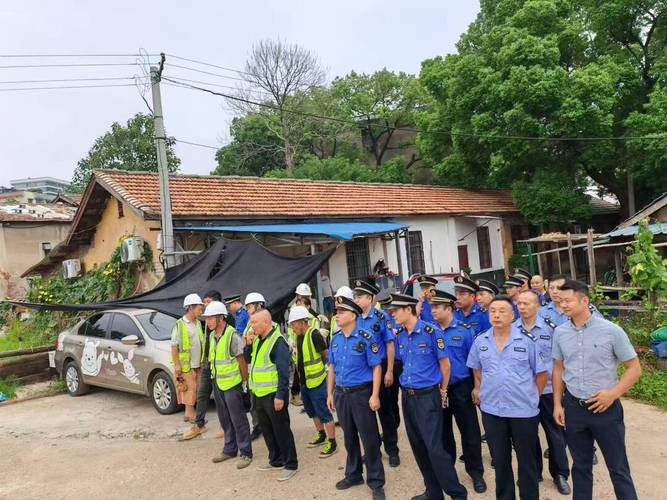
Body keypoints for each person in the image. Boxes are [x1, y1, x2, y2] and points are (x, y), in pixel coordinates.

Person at [552, 280, 641, 500]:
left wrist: (613, 394)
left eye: (568, 300)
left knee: (618, 467)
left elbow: (634, 368)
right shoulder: (561, 332)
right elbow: (557, 369)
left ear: (584, 300)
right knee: (580, 466)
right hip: (574, 407)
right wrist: (557, 403)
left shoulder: (611, 331)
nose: (563, 305)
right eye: (560, 301)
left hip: (606, 408)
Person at [386, 293, 468, 500]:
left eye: (396, 309)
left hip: (427, 396)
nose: (392, 313)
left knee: (434, 448)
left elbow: (445, 366)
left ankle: (457, 493)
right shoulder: (400, 335)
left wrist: (442, 391)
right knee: (418, 446)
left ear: (408, 309)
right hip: (408, 396)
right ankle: (433, 492)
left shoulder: (432, 332)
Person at [467, 295, 548, 500]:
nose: (496, 315)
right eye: (493, 311)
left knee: (526, 461)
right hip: (493, 411)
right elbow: (477, 370)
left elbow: (541, 374)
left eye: (502, 311)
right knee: (501, 462)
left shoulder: (527, 341)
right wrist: (479, 388)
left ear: (513, 315)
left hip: (523, 411)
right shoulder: (481, 341)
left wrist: (531, 396)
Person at [327, 295, 385, 500]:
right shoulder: (335, 338)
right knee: (349, 437)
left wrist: (375, 395)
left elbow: (377, 366)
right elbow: (331, 368)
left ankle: (376, 482)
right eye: (336, 312)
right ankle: (353, 474)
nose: (337, 315)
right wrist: (330, 393)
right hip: (341, 395)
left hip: (361, 394)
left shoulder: (366, 337)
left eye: (341, 312)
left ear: (353, 315)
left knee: (369, 439)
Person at [515, 290, 570, 495]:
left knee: (555, 434)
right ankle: (533, 473)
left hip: (547, 391)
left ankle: (560, 474)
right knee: (527, 436)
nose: (522, 307)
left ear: (537, 305)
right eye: (519, 303)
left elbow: (560, 362)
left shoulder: (551, 329)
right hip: (523, 392)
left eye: (527, 303)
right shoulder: (512, 330)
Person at [431, 289, 486, 494]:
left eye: (437, 307)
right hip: (439, 389)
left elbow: (475, 363)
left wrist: (477, 386)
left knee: (470, 431)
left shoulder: (464, 331)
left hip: (462, 387)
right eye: (432, 307)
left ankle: (475, 472)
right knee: (443, 433)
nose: (433, 310)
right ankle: (448, 472)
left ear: (449, 308)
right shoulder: (431, 331)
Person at [247, 309, 298, 481]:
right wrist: (247, 344)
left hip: (273, 395)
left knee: (281, 429)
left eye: (254, 322)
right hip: (259, 394)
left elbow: (283, 372)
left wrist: (280, 395)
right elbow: (249, 360)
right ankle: (275, 459)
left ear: (266, 323)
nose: (251, 326)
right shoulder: (257, 340)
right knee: (267, 430)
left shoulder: (278, 342)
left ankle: (291, 464)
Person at [353, 279, 400, 467]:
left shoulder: (381, 317)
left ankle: (392, 449)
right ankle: (374, 450)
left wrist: (389, 371)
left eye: (360, 296)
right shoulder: (354, 318)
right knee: (367, 416)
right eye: (355, 296)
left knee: (385, 412)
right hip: (362, 371)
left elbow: (389, 344)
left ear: (370, 298)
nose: (356, 300)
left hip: (380, 367)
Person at [202, 301, 253, 468]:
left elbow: (241, 361)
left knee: (238, 419)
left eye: (210, 318)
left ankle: (245, 452)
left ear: (221, 318)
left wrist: (245, 383)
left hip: (232, 384)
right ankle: (230, 449)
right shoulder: (211, 336)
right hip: (218, 383)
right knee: (224, 418)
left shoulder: (232, 335)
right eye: (207, 318)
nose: (207, 321)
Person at [288, 305, 337, 458]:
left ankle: (332, 441)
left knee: (323, 412)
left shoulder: (314, 335)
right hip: (305, 382)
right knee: (311, 411)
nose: (291, 327)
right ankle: (321, 434)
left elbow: (324, 355)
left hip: (317, 381)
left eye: (293, 323)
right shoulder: (298, 336)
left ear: (301, 322)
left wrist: (324, 370)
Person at [181, 290, 224, 441]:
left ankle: (224, 426)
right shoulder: (204, 322)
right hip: (206, 363)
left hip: (220, 366)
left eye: (207, 302)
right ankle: (199, 425)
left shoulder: (225, 322)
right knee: (202, 394)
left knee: (220, 398)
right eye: (203, 303)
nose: (204, 306)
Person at [171, 293, 205, 423]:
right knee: (191, 389)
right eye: (198, 308)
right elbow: (174, 347)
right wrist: (177, 365)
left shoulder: (197, 323)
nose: (201, 310)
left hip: (197, 363)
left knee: (195, 388)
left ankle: (187, 413)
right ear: (190, 308)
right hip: (186, 365)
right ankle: (192, 416)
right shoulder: (180, 325)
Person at [243, 291, 267, 441]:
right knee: (254, 404)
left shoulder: (268, 323)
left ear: (259, 305)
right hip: (252, 369)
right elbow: (247, 347)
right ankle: (258, 426)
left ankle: (266, 427)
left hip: (265, 372)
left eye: (250, 306)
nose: (247, 309)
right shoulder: (248, 324)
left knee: (266, 405)